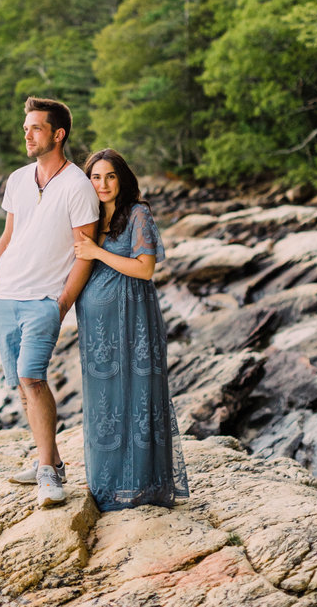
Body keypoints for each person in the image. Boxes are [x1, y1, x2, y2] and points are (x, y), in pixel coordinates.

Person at [0, 97, 99, 508]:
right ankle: (49, 460)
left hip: (42, 301)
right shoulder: (18, 179)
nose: (28, 135)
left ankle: (49, 471)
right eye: (26, 128)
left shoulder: (77, 186)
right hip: (4, 297)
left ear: (58, 134)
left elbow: (85, 251)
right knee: (21, 383)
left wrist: (61, 304)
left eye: (36, 128)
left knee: (32, 377)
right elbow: (8, 236)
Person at [74, 148, 189, 511]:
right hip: (97, 325)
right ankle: (106, 484)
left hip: (135, 317)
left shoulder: (138, 213)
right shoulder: (88, 216)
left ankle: (142, 486)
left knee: (139, 393)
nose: (103, 184)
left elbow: (145, 268)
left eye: (110, 176)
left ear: (122, 179)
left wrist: (97, 252)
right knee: (104, 399)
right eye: (95, 177)